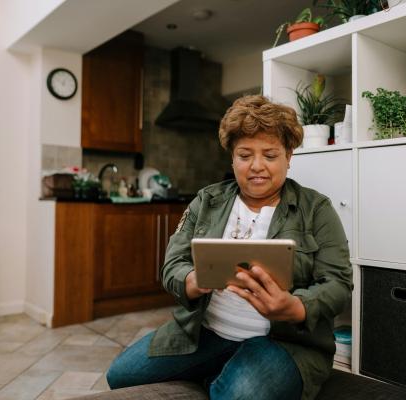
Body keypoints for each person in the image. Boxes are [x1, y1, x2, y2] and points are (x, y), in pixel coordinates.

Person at [106, 95, 352, 400]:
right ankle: (222, 369)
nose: (257, 166)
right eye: (245, 154)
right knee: (120, 375)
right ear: (232, 158)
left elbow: (339, 284)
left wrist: (295, 307)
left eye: (270, 155)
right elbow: (173, 264)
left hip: (281, 342)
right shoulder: (206, 201)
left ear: (289, 156)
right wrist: (192, 281)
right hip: (205, 332)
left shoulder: (316, 209)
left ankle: (227, 377)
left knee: (239, 395)